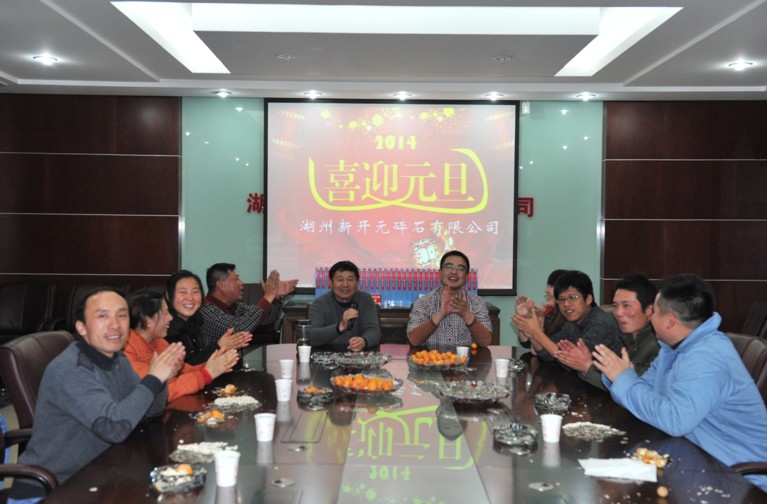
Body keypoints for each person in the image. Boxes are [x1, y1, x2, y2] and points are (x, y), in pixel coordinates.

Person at [593, 274, 767, 491]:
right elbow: (645, 392)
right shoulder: (673, 348)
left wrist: (625, 379)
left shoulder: (707, 356)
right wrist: (619, 377)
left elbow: (675, 420)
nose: (650, 317)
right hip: (694, 457)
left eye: (655, 312)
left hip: (737, 478)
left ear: (670, 320)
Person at [15, 288, 184, 493]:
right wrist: (153, 378)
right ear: (82, 327)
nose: (115, 324)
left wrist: (162, 378)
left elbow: (152, 411)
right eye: (103, 316)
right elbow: (114, 428)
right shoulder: (70, 369)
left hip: (100, 474)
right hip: (54, 488)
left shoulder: (117, 360)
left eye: (122, 315)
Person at [125, 289, 239, 402]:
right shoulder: (126, 350)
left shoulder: (158, 341)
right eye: (165, 313)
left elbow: (184, 370)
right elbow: (160, 393)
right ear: (147, 320)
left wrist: (216, 364)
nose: (171, 317)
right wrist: (207, 374)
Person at [555, 274, 660, 390]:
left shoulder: (657, 346)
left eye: (626, 305)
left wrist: (587, 366)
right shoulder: (627, 337)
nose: (618, 313)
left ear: (649, 310)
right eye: (615, 305)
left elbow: (633, 390)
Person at [512, 270, 622, 360]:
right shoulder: (572, 323)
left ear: (588, 299)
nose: (566, 304)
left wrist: (536, 332)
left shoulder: (600, 322)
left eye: (573, 297)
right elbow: (547, 354)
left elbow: (575, 360)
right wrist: (532, 335)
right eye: (561, 299)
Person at [198, 263, 298, 347]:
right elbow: (239, 330)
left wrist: (275, 297)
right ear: (221, 285)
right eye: (236, 279)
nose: (242, 283)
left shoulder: (234, 306)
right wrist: (268, 296)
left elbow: (264, 319)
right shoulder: (206, 310)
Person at [407, 250, 492, 347]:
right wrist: (440, 314)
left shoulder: (477, 303)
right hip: (432, 356)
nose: (454, 272)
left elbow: (486, 342)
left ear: (466, 276)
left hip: (466, 356)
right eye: (449, 267)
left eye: (460, 269)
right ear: (440, 272)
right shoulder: (424, 302)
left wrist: (466, 314)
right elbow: (413, 340)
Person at [166, 270, 252, 365]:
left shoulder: (197, 320)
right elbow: (184, 369)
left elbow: (199, 356)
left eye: (195, 291)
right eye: (183, 292)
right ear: (169, 296)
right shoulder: (164, 329)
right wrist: (219, 346)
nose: (190, 298)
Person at [306, 260, 381, 351]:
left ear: (357, 282)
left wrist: (363, 341)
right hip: (327, 356)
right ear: (330, 282)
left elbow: (374, 331)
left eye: (350, 279)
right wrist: (340, 326)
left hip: (358, 356)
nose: (345, 284)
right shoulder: (319, 303)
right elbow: (311, 337)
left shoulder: (365, 299)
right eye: (340, 279)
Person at [515, 269, 567, 350]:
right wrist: (523, 317)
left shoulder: (568, 318)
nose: (546, 290)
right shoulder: (550, 314)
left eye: (551, 286)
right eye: (548, 286)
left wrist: (537, 328)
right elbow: (527, 344)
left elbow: (543, 351)